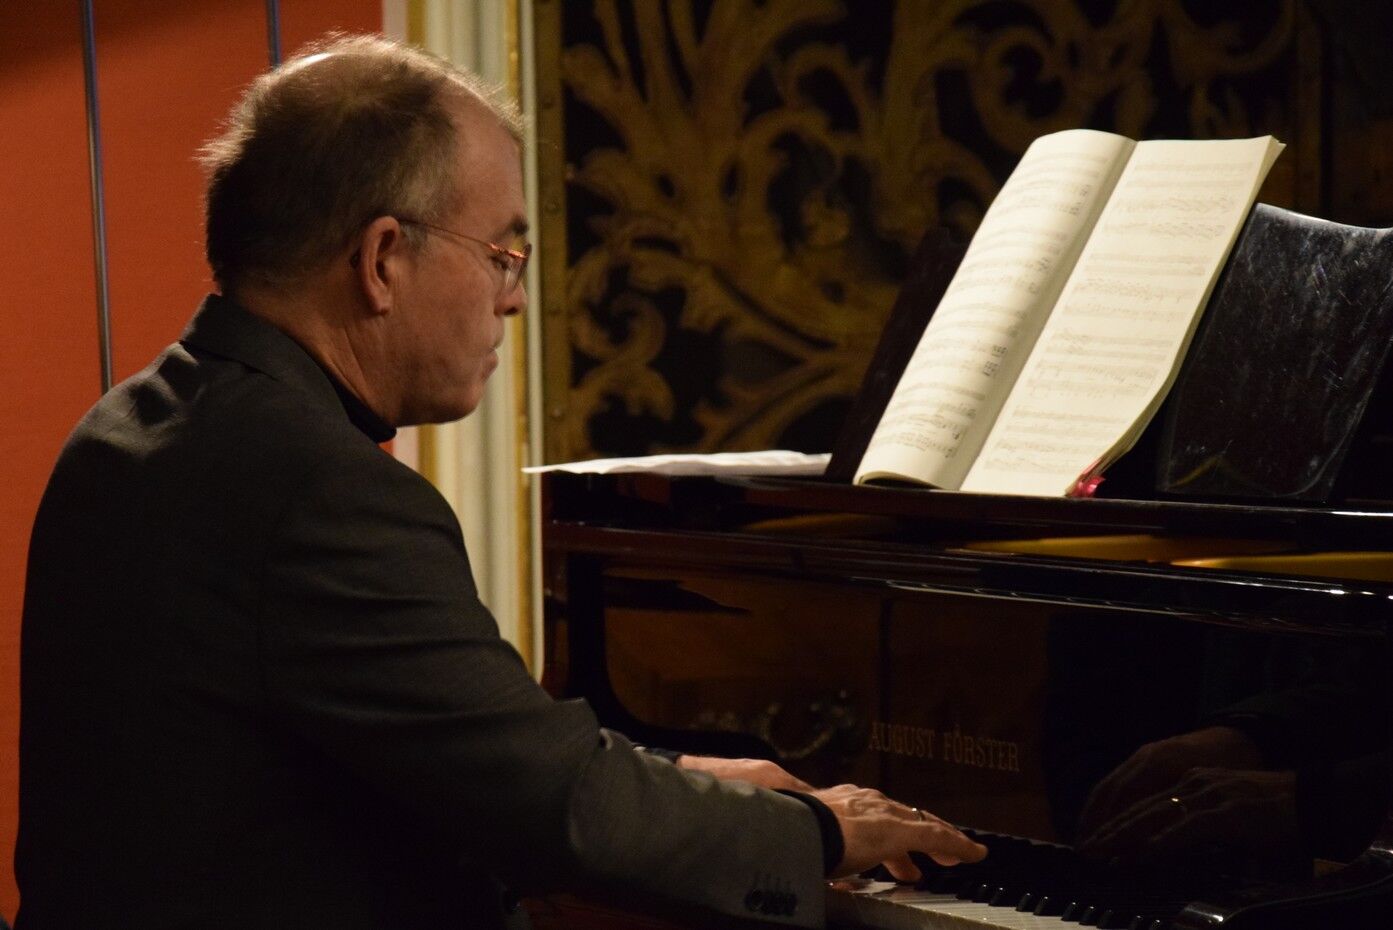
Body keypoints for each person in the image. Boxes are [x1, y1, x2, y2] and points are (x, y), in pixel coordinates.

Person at [15, 35, 984, 929]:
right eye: (502, 255)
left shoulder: (131, 428)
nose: (514, 299)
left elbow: (450, 757)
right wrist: (816, 832)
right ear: (382, 259)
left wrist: (680, 776)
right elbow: (552, 809)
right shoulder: (316, 489)